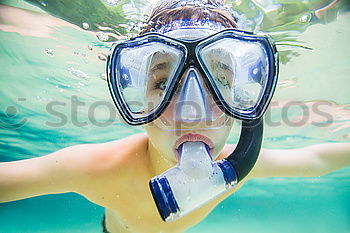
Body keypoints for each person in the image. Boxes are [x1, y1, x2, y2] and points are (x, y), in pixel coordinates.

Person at [1, 0, 349, 232]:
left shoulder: (235, 167)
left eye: (221, 81)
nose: (192, 112)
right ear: (135, 94)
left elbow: (314, 159)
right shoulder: (99, 168)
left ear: (244, 98)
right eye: (163, 81)